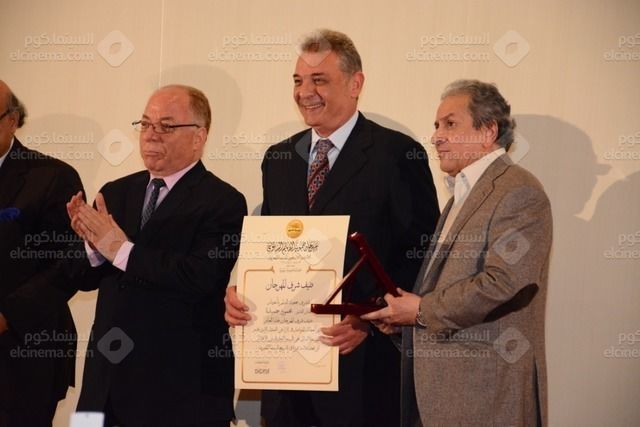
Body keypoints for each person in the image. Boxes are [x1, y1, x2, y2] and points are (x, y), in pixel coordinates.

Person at [225, 29, 439, 426]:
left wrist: (370, 319)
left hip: (360, 368)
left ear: (356, 84)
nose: (305, 92)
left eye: (319, 80)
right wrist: (243, 291)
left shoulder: (397, 154)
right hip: (285, 371)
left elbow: (421, 255)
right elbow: (271, 247)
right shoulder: (279, 158)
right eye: (298, 80)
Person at [363, 80, 552, 426]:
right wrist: (403, 319)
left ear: (488, 131)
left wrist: (421, 310)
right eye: (437, 125)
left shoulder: (519, 191)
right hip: (446, 398)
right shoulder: (460, 196)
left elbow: (505, 282)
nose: (437, 136)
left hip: (487, 397)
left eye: (450, 124)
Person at [66, 84, 247, 427]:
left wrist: (119, 249)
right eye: (146, 124)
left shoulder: (224, 201)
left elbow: (200, 277)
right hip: (104, 385)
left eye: (166, 126)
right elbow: (81, 278)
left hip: (179, 388)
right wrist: (92, 245)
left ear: (199, 136)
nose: (151, 135)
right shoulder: (115, 192)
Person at [0, 81, 82, 426]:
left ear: (12, 120)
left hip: (23, 353)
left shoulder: (52, 177)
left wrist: (7, 315)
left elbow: (69, 264)